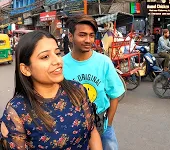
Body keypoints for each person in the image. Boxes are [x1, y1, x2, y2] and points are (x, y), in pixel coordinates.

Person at [0, 30, 102, 149]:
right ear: (26, 69)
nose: (58, 61)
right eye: (45, 57)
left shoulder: (77, 90)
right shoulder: (16, 111)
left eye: (57, 53)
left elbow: (92, 131)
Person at [63, 15, 125, 150]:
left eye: (91, 35)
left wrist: (108, 125)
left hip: (100, 123)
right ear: (70, 36)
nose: (88, 40)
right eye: (82, 35)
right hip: (71, 126)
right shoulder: (60, 65)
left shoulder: (104, 62)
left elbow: (114, 95)